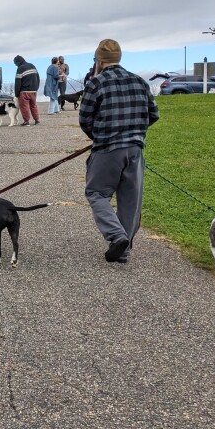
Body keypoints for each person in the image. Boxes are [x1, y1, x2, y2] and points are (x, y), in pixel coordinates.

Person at [79, 39, 160, 264]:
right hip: (134, 150)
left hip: (106, 149)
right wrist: (134, 133)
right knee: (130, 201)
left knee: (97, 193)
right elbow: (154, 114)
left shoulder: (96, 83)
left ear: (99, 60)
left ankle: (117, 237)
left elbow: (85, 118)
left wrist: (98, 136)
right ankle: (123, 250)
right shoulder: (139, 82)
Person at [13, 55, 41, 126]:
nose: (15, 65)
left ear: (18, 62)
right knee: (33, 105)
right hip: (34, 90)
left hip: (24, 91)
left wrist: (17, 93)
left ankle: (26, 121)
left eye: (15, 63)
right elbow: (38, 77)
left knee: (24, 106)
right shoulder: (32, 65)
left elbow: (18, 82)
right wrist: (36, 88)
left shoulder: (20, 68)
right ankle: (37, 120)